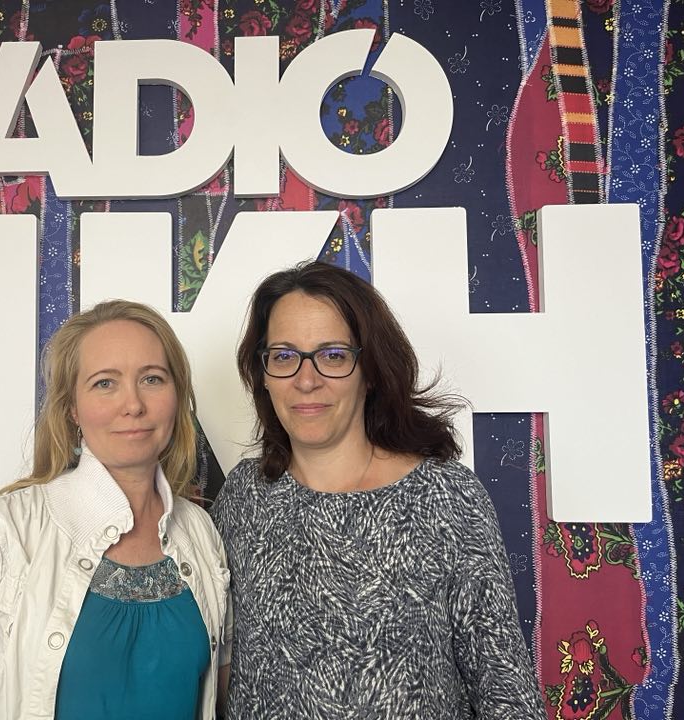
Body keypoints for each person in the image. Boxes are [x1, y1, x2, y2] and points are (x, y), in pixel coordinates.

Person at [211, 262, 544, 719]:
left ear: (369, 370)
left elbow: (505, 690)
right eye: (284, 356)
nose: (306, 380)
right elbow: (217, 665)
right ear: (263, 373)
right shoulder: (244, 497)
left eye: (332, 355)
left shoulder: (446, 496)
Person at [0, 300, 232, 720]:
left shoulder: (200, 532)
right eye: (105, 383)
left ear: (177, 395)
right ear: (72, 407)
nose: (133, 404)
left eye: (152, 379)